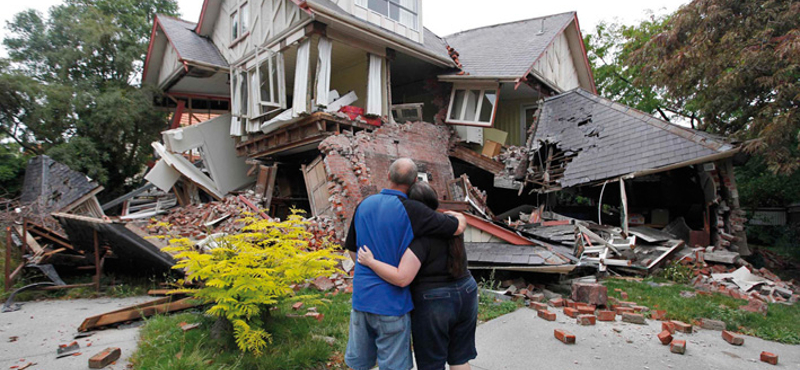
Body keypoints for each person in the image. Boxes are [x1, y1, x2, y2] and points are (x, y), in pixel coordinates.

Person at [344, 158, 467, 370]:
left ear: (388, 176)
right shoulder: (413, 210)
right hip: (392, 303)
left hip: (361, 299)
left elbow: (353, 249)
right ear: (413, 182)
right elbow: (455, 227)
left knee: (360, 364)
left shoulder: (363, 204)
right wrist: (459, 216)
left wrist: (369, 266)